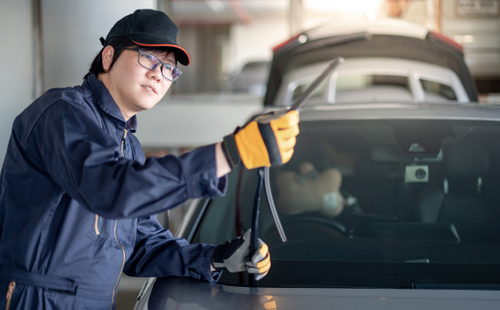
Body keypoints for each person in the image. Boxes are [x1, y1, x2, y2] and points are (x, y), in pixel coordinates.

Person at [0, 9, 299, 310]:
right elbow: (110, 189)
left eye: (169, 68)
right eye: (148, 58)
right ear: (108, 57)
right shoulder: (62, 112)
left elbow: (143, 246)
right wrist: (228, 153)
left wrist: (216, 257)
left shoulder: (129, 147)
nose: (159, 74)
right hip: (35, 300)